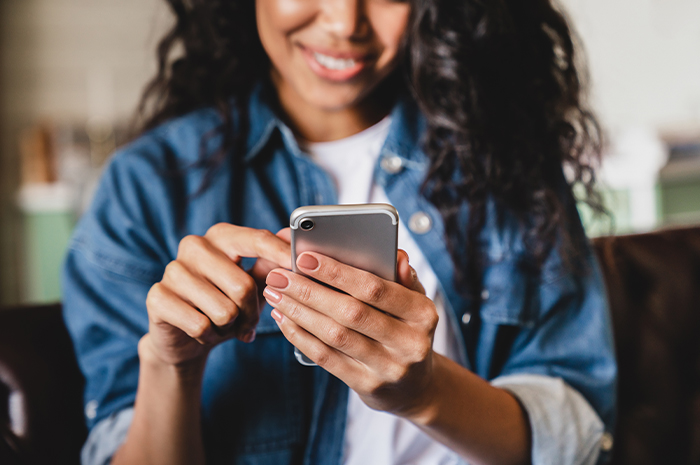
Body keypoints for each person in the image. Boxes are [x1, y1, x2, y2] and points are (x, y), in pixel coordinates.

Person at [62, 0, 617, 464]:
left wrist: (424, 393)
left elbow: (577, 435)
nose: (345, 22)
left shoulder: (504, 157)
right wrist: (170, 365)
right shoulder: (148, 186)